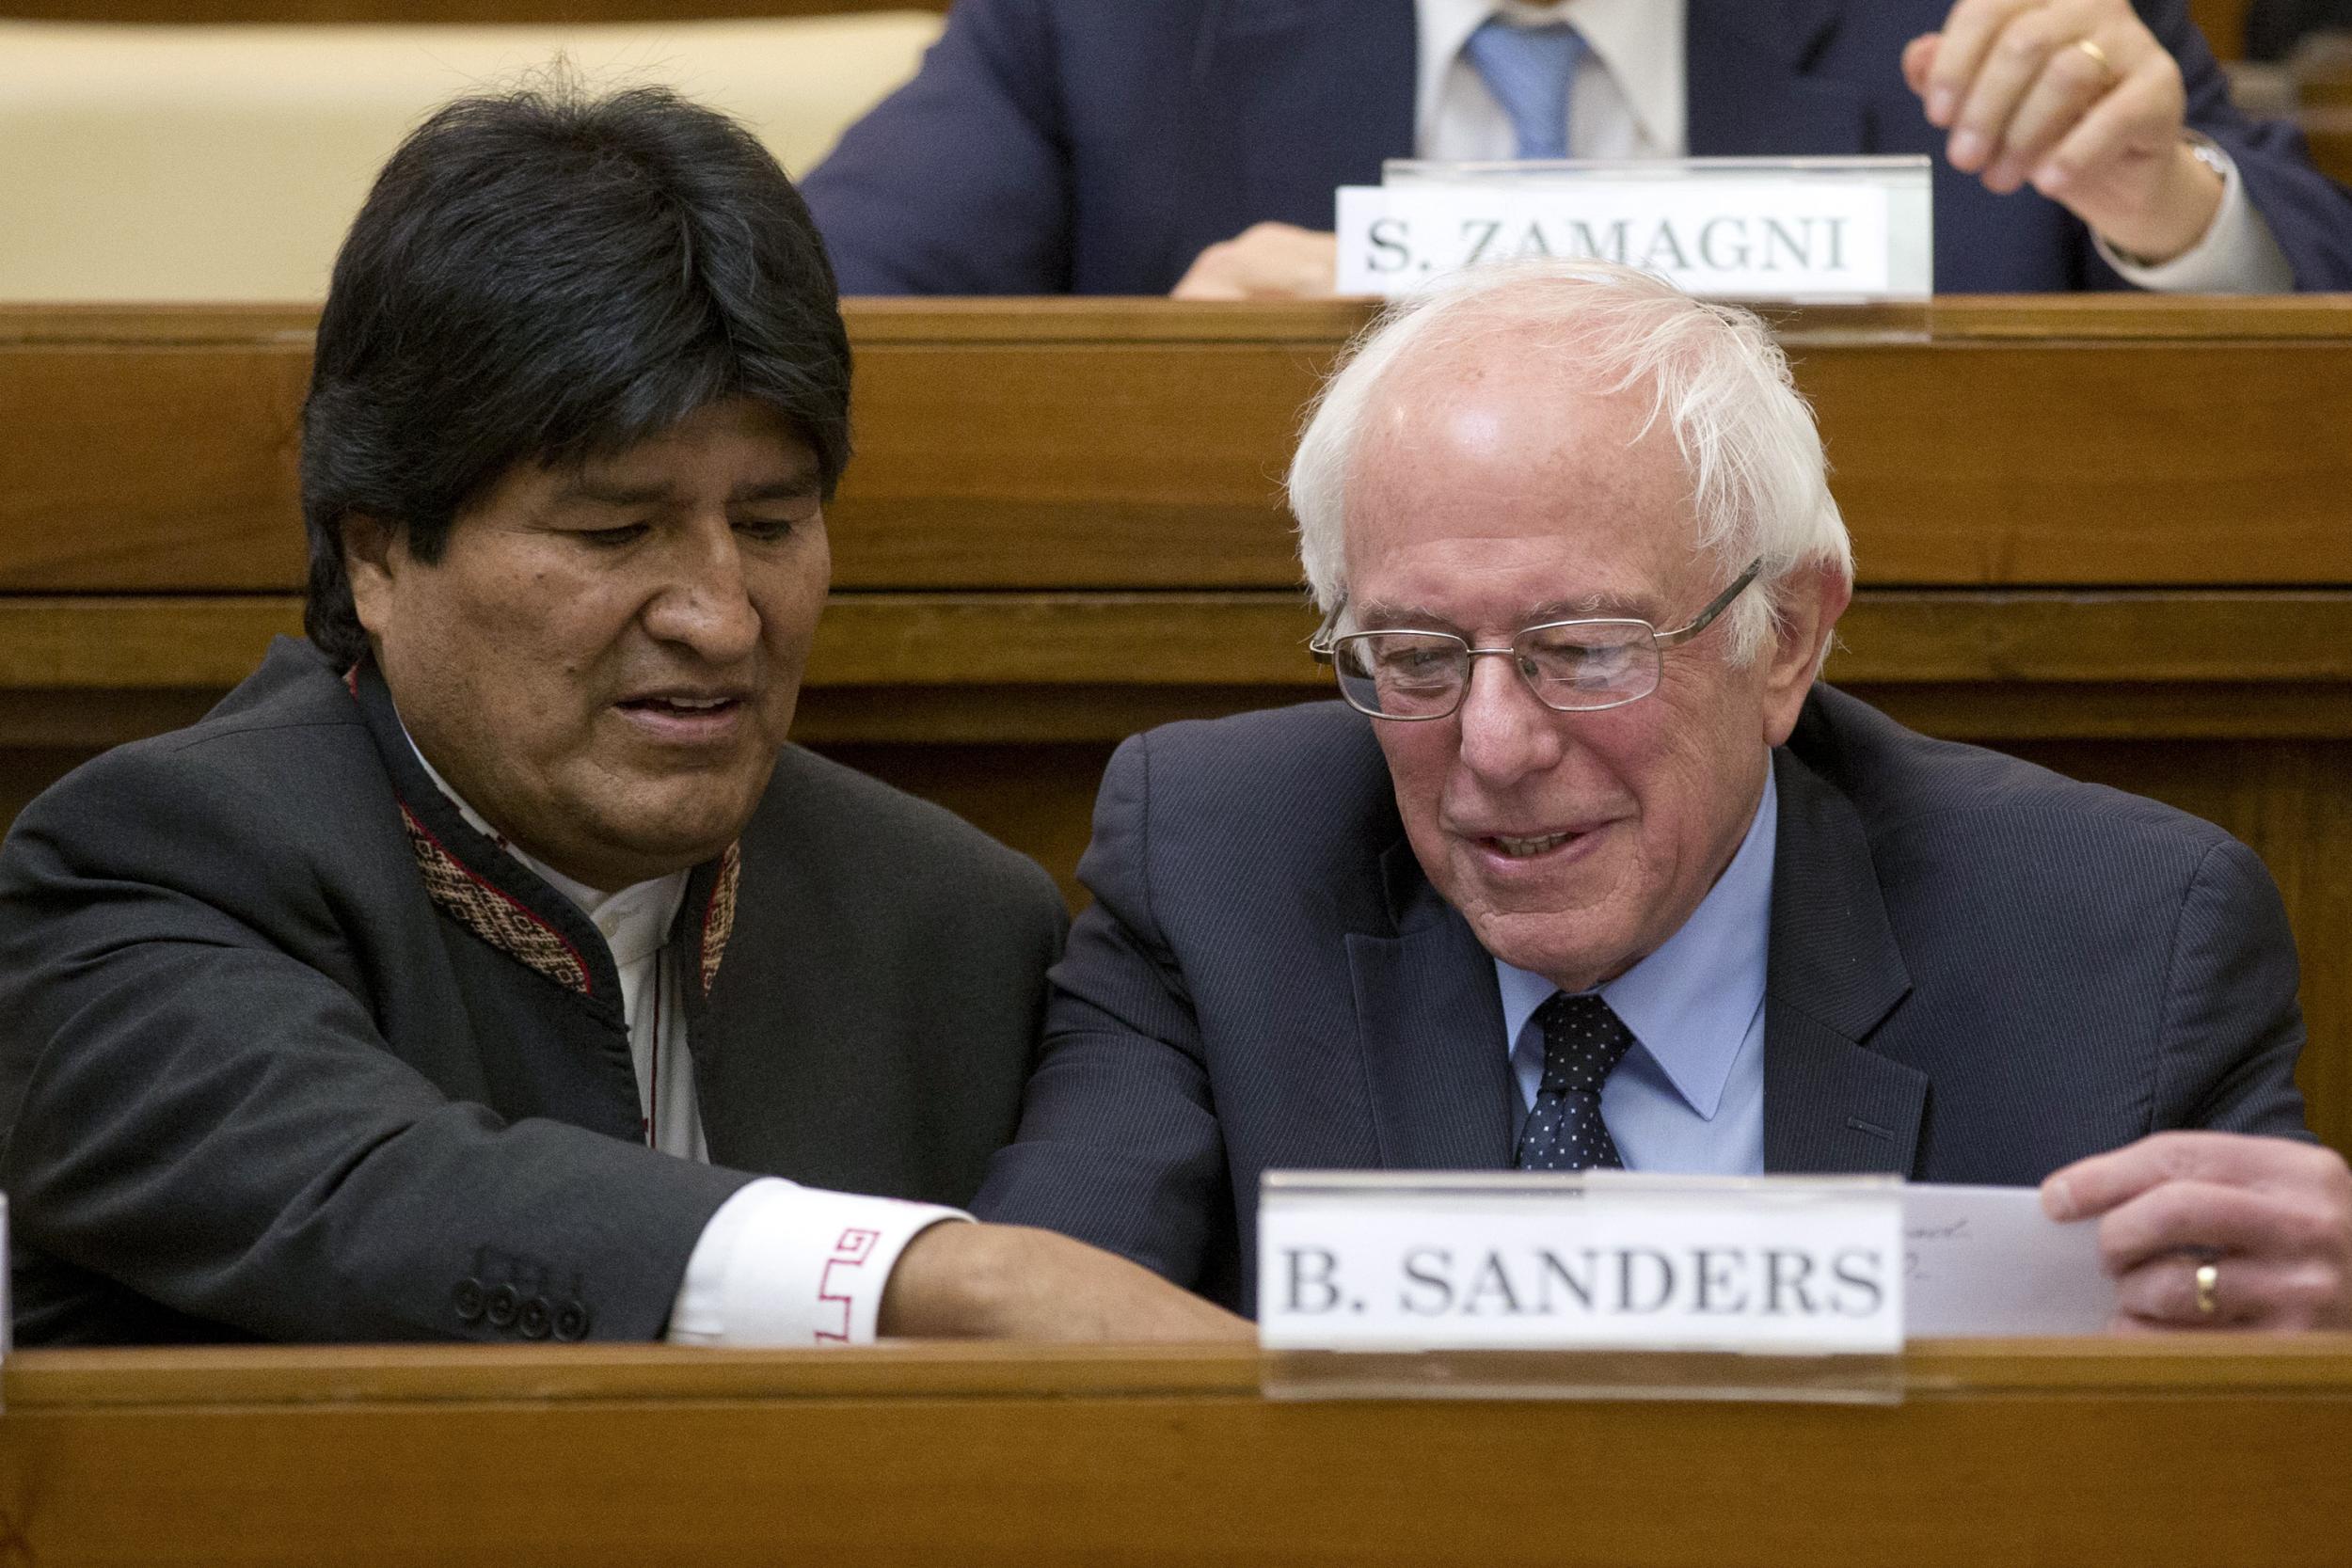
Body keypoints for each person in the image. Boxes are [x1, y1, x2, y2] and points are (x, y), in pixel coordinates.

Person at [0, 83, 1242, 1348]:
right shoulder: (151, 870)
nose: (720, 615)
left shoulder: (953, 925)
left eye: (770, 525)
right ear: (376, 555)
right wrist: (932, 1279)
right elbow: (365, 1190)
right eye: (613, 532)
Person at [971, 259, 2352, 1331]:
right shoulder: (1218, 866)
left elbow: (2240, 1403)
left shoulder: (2119, 946)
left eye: (1585, 652)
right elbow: (1032, 1348)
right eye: (1416, 656)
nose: (1497, 746)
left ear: (1788, 637)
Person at [801, 0, 2352, 296]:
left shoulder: (1968, 4)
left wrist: (2163, 204)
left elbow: (2300, 276)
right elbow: (810, 329)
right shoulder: (1113, 25)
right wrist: (1166, 400)